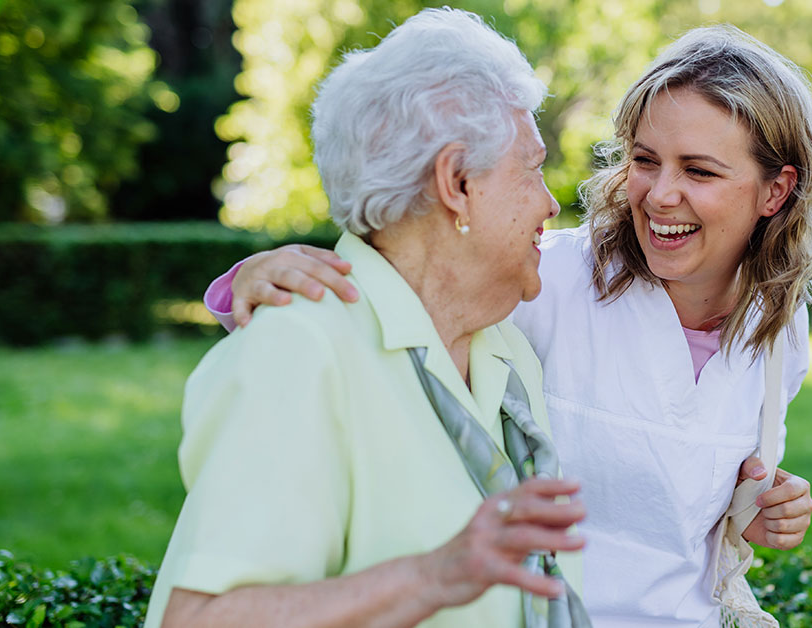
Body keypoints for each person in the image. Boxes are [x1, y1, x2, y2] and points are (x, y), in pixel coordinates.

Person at [207, 24, 812, 627]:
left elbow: (677, 504)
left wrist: (748, 514)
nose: (660, 194)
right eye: (645, 160)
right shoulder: (545, 279)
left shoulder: (780, 331)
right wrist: (260, 276)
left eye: (699, 171)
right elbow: (392, 300)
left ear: (775, 191)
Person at [145, 9, 590, 628]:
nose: (549, 201)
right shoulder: (299, 349)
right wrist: (439, 575)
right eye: (532, 167)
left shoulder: (503, 350)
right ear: (456, 181)